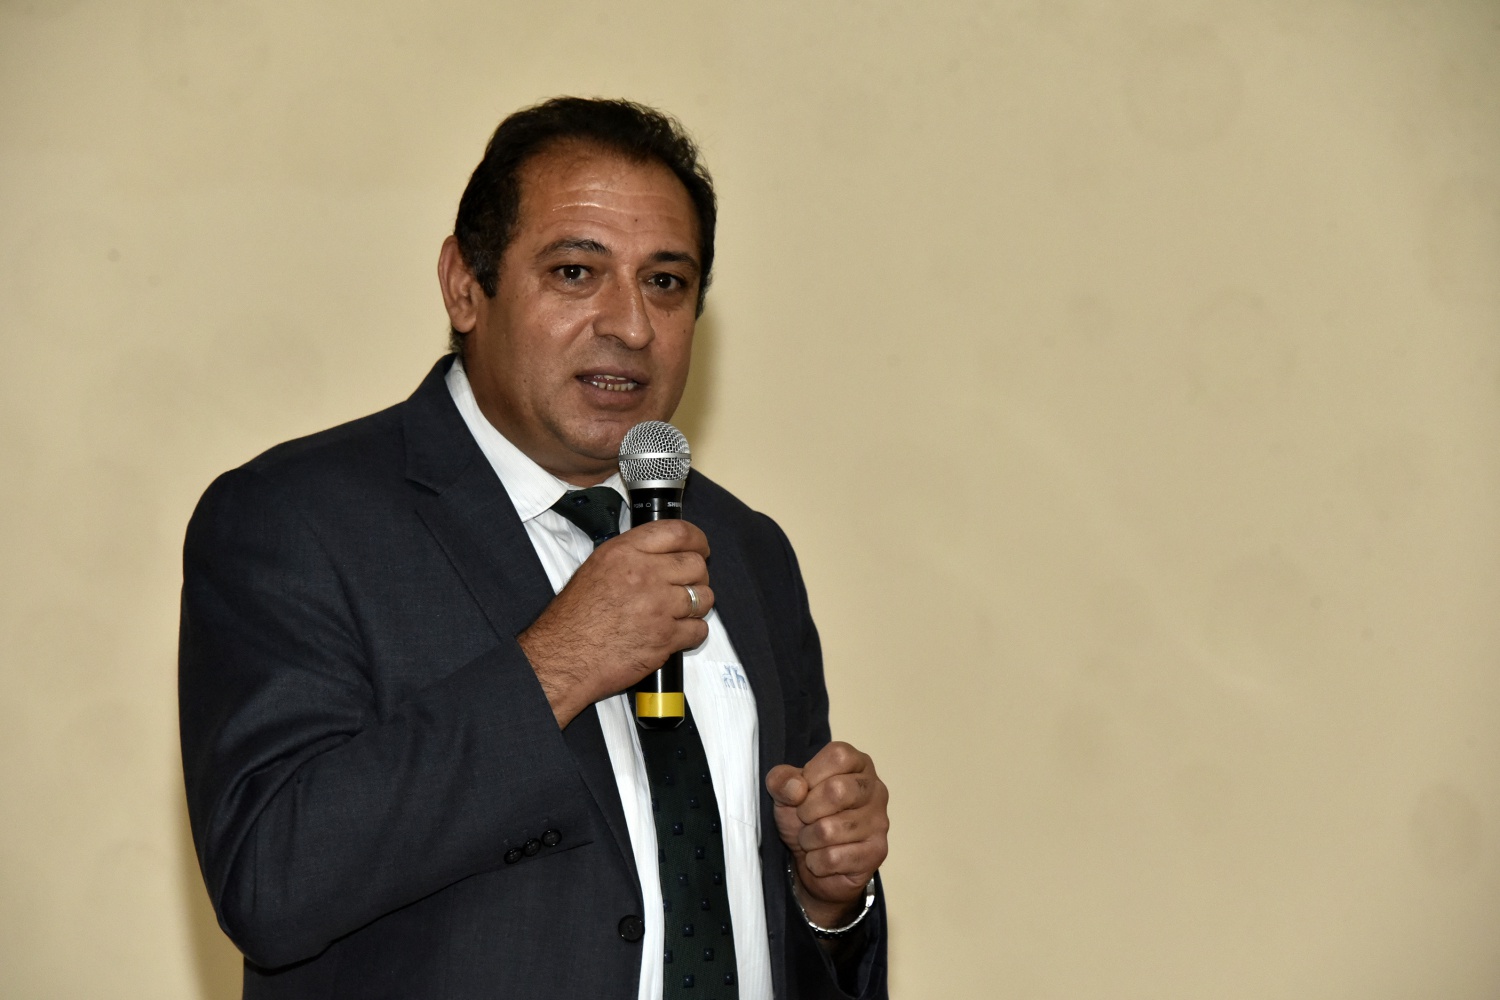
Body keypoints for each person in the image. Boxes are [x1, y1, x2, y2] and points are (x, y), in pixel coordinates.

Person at [179, 97, 889, 999]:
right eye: (575, 272)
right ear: (464, 286)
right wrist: (559, 661)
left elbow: (744, 919)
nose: (631, 325)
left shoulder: (746, 549)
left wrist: (829, 899)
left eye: (666, 282)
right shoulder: (297, 521)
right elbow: (270, 878)